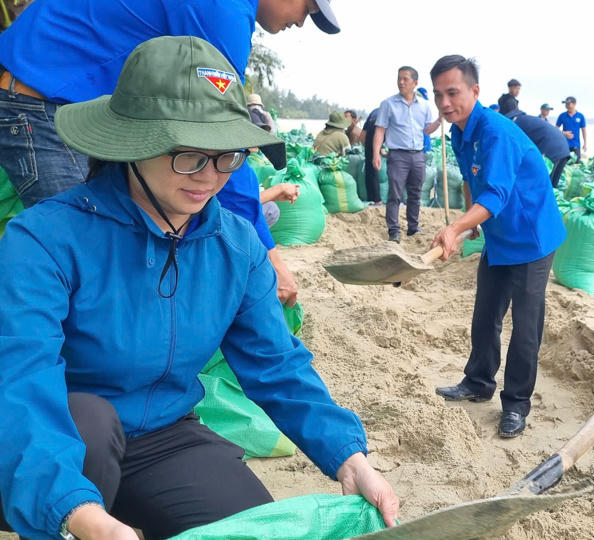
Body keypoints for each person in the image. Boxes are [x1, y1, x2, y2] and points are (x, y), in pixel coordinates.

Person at [0, 36, 398, 540]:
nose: (209, 178)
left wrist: (349, 457)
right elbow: (22, 380)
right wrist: (83, 516)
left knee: (250, 529)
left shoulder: (234, 245)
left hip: (163, 436)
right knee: (92, 423)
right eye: (189, 156)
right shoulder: (45, 238)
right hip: (51, 437)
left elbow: (276, 364)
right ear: (133, 143)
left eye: (227, 156)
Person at [0, 0, 339, 308]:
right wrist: (269, 257)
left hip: (70, 97)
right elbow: (219, 132)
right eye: (307, 9)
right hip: (39, 102)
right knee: (96, 258)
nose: (301, 23)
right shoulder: (223, 8)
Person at [429, 55, 566, 438]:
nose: (444, 103)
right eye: (439, 94)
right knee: (486, 312)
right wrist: (470, 223)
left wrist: (455, 227)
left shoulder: (496, 132)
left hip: (531, 235)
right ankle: (477, 382)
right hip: (499, 234)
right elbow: (474, 184)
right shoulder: (458, 131)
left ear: (475, 91)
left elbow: (498, 192)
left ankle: (517, 404)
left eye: (452, 92)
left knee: (525, 326)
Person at [372, 66, 441, 242]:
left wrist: (439, 121)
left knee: (415, 193)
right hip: (397, 156)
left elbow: (426, 129)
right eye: (399, 79)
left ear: (415, 83)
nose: (401, 82)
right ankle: (394, 230)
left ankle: (413, 227)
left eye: (405, 79)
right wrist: (376, 154)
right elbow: (380, 130)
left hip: (418, 155)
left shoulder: (424, 105)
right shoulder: (388, 104)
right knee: (394, 194)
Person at [504, 109, 571, 188]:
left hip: (550, 149)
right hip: (564, 148)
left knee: (540, 184)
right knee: (552, 186)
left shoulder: (515, 124)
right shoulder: (526, 119)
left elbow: (515, 148)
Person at [360, 108, 383, 206]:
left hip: (369, 140)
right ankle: (378, 200)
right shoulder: (390, 111)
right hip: (377, 138)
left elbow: (362, 136)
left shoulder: (374, 112)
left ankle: (373, 199)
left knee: (370, 171)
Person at [556, 96, 587, 162]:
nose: (567, 106)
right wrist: (563, 133)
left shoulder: (580, 116)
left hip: (576, 144)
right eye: (566, 104)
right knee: (564, 164)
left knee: (576, 165)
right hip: (564, 145)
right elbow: (555, 129)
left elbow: (583, 130)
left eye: (568, 104)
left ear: (574, 104)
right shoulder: (562, 116)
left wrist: (585, 143)